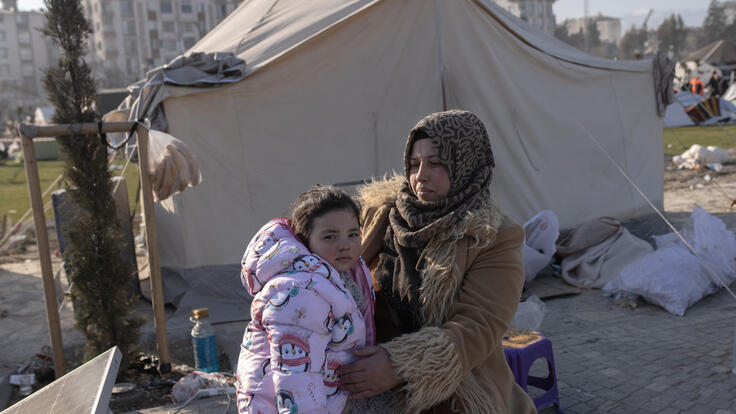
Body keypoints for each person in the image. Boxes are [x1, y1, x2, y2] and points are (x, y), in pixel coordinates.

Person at [338, 110, 537, 413]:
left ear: (466, 164)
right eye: (414, 164)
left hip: (452, 386)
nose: (421, 176)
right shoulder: (379, 214)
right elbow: (321, 240)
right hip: (363, 373)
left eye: (436, 163)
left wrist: (397, 364)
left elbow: (478, 326)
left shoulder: (492, 236)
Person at [235, 186, 376, 414]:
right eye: (330, 236)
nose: (345, 244)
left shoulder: (342, 276)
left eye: (353, 234)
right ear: (305, 239)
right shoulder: (300, 291)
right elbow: (296, 378)